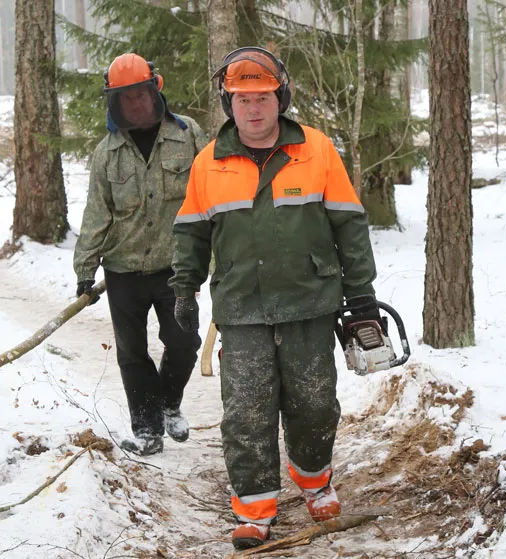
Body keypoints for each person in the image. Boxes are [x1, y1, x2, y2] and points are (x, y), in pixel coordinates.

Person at [169, 47, 379, 549]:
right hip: (241, 309)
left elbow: (349, 225)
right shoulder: (209, 163)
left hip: (310, 302)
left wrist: (363, 296)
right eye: (243, 99)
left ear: (279, 98)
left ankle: (314, 480)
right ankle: (254, 508)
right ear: (229, 104)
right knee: (246, 412)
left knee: (314, 404)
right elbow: (190, 234)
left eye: (262, 97)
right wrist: (184, 289)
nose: (254, 108)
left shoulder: (316, 149)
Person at [73, 53, 208, 456]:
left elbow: (211, 198)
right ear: (114, 102)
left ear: (155, 90)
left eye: (141, 94)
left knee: (184, 342)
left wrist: (218, 253)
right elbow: (97, 213)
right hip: (123, 270)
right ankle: (147, 428)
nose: (135, 103)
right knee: (132, 355)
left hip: (176, 268)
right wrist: (85, 267)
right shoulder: (107, 153)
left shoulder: (189, 135)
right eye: (125, 98)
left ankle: (169, 404)